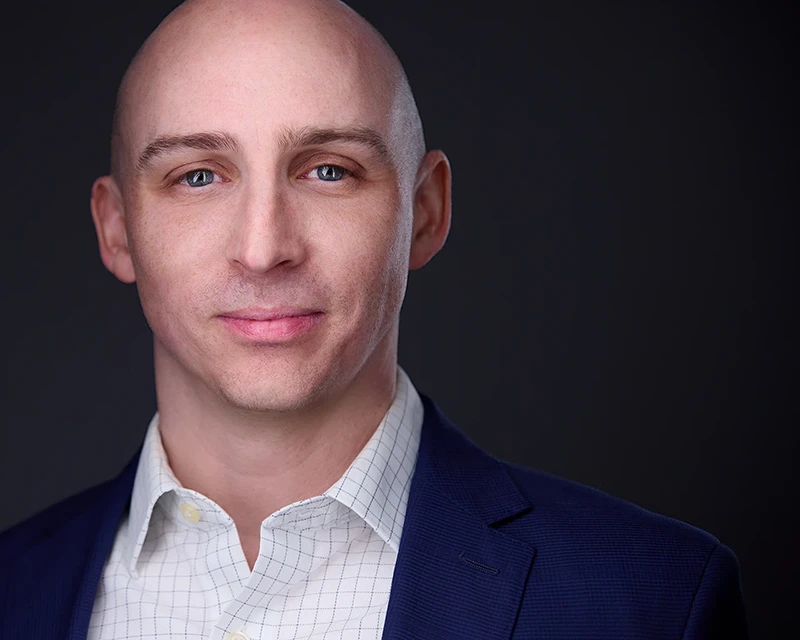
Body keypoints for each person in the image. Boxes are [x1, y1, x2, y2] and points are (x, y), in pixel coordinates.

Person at [0, 0, 748, 637]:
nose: (264, 249)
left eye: (329, 170)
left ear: (425, 213)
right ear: (117, 228)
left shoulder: (654, 602)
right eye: (198, 176)